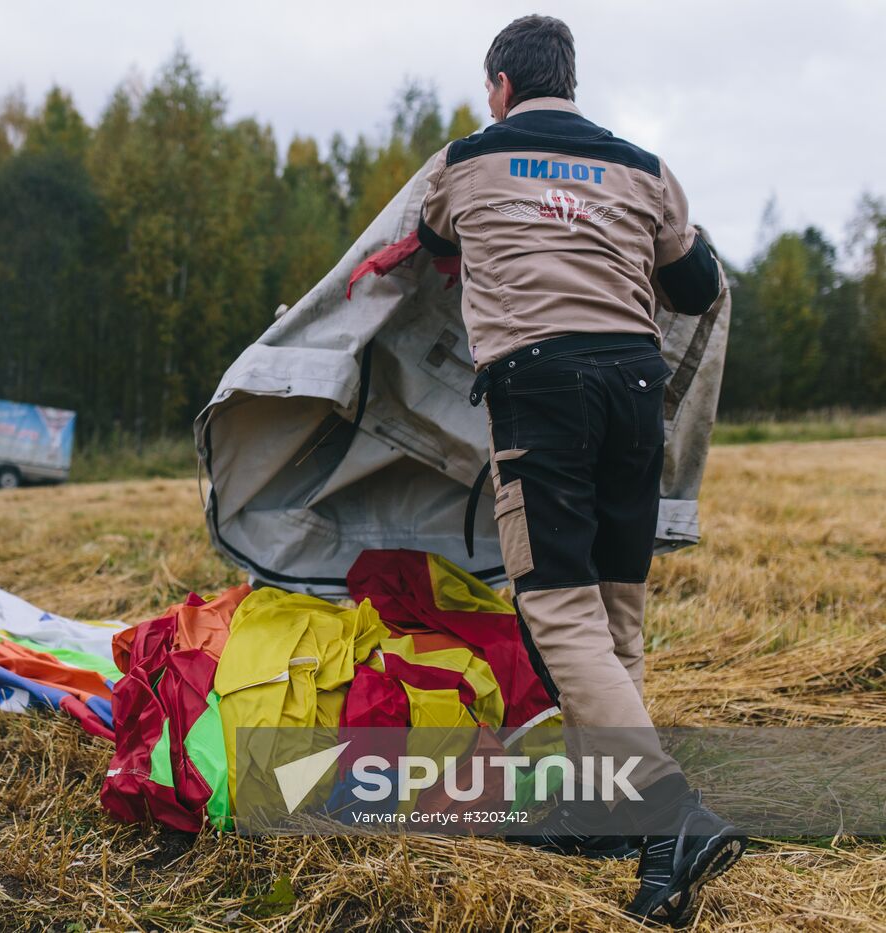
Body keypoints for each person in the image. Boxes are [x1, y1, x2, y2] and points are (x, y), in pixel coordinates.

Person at [413, 14, 744, 927]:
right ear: (569, 83)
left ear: (501, 87)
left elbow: (434, 242)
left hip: (541, 390)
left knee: (559, 613)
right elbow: (698, 286)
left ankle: (668, 813)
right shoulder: (644, 169)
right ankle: (607, 806)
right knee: (614, 610)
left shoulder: (467, 160)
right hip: (635, 388)